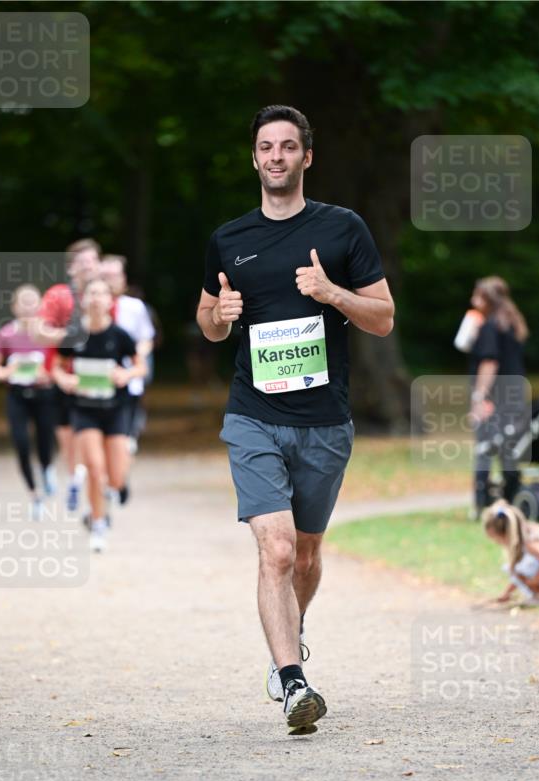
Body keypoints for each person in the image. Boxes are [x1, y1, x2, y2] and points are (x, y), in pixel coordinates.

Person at [196, 105, 394, 732]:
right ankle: (292, 684)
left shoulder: (343, 230)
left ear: (307, 157)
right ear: (253, 158)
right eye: (265, 146)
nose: (276, 156)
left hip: (324, 422)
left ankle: (291, 632)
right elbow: (206, 322)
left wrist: (332, 293)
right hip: (254, 414)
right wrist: (220, 314)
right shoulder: (228, 239)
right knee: (276, 550)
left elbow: (383, 316)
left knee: (305, 556)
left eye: (288, 146)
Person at [52, 277, 146, 552]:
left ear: (109, 301)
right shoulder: (73, 335)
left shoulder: (120, 336)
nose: (95, 298)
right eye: (90, 293)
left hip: (116, 409)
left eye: (101, 293)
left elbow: (140, 368)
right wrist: (63, 380)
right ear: (83, 301)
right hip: (84, 410)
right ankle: (98, 522)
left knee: (114, 479)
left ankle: (110, 492)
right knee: (94, 467)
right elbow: (57, 366)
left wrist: (125, 373)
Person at [38, 239, 102, 511]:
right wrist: (70, 336)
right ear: (71, 267)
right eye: (83, 262)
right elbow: (39, 331)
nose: (89, 267)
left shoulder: (104, 295)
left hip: (97, 376)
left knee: (93, 437)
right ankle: (77, 480)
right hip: (63, 376)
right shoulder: (58, 295)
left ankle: (96, 490)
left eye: (93, 261)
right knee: (68, 441)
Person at [0, 285, 57, 517]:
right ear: (14, 307)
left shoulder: (50, 332)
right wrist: (7, 372)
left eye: (32, 302)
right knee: (21, 443)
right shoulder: (7, 334)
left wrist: (49, 374)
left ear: (40, 306)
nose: (27, 308)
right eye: (22, 303)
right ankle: (35, 494)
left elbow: (63, 365)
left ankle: (46, 469)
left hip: (44, 395)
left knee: (45, 440)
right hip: (17, 396)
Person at [469, 276, 529, 516]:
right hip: (514, 395)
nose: (472, 300)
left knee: (485, 447)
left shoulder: (491, 326)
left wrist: (479, 397)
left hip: (494, 398)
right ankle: (512, 497)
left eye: (477, 296)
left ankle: (482, 502)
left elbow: (489, 362)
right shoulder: (512, 324)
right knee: (509, 449)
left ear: (488, 299)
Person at [100, 255, 156, 470]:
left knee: (124, 436)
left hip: (128, 379)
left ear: (123, 278)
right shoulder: (89, 307)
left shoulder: (135, 307)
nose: (110, 280)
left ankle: (119, 478)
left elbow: (146, 339)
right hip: (97, 379)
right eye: (105, 275)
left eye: (114, 275)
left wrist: (133, 361)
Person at [482, 501, 539, 605]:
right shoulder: (526, 533)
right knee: (515, 566)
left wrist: (534, 581)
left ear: (506, 534)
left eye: (497, 540)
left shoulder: (530, 541)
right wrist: (507, 593)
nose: (498, 544)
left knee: (520, 565)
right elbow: (518, 575)